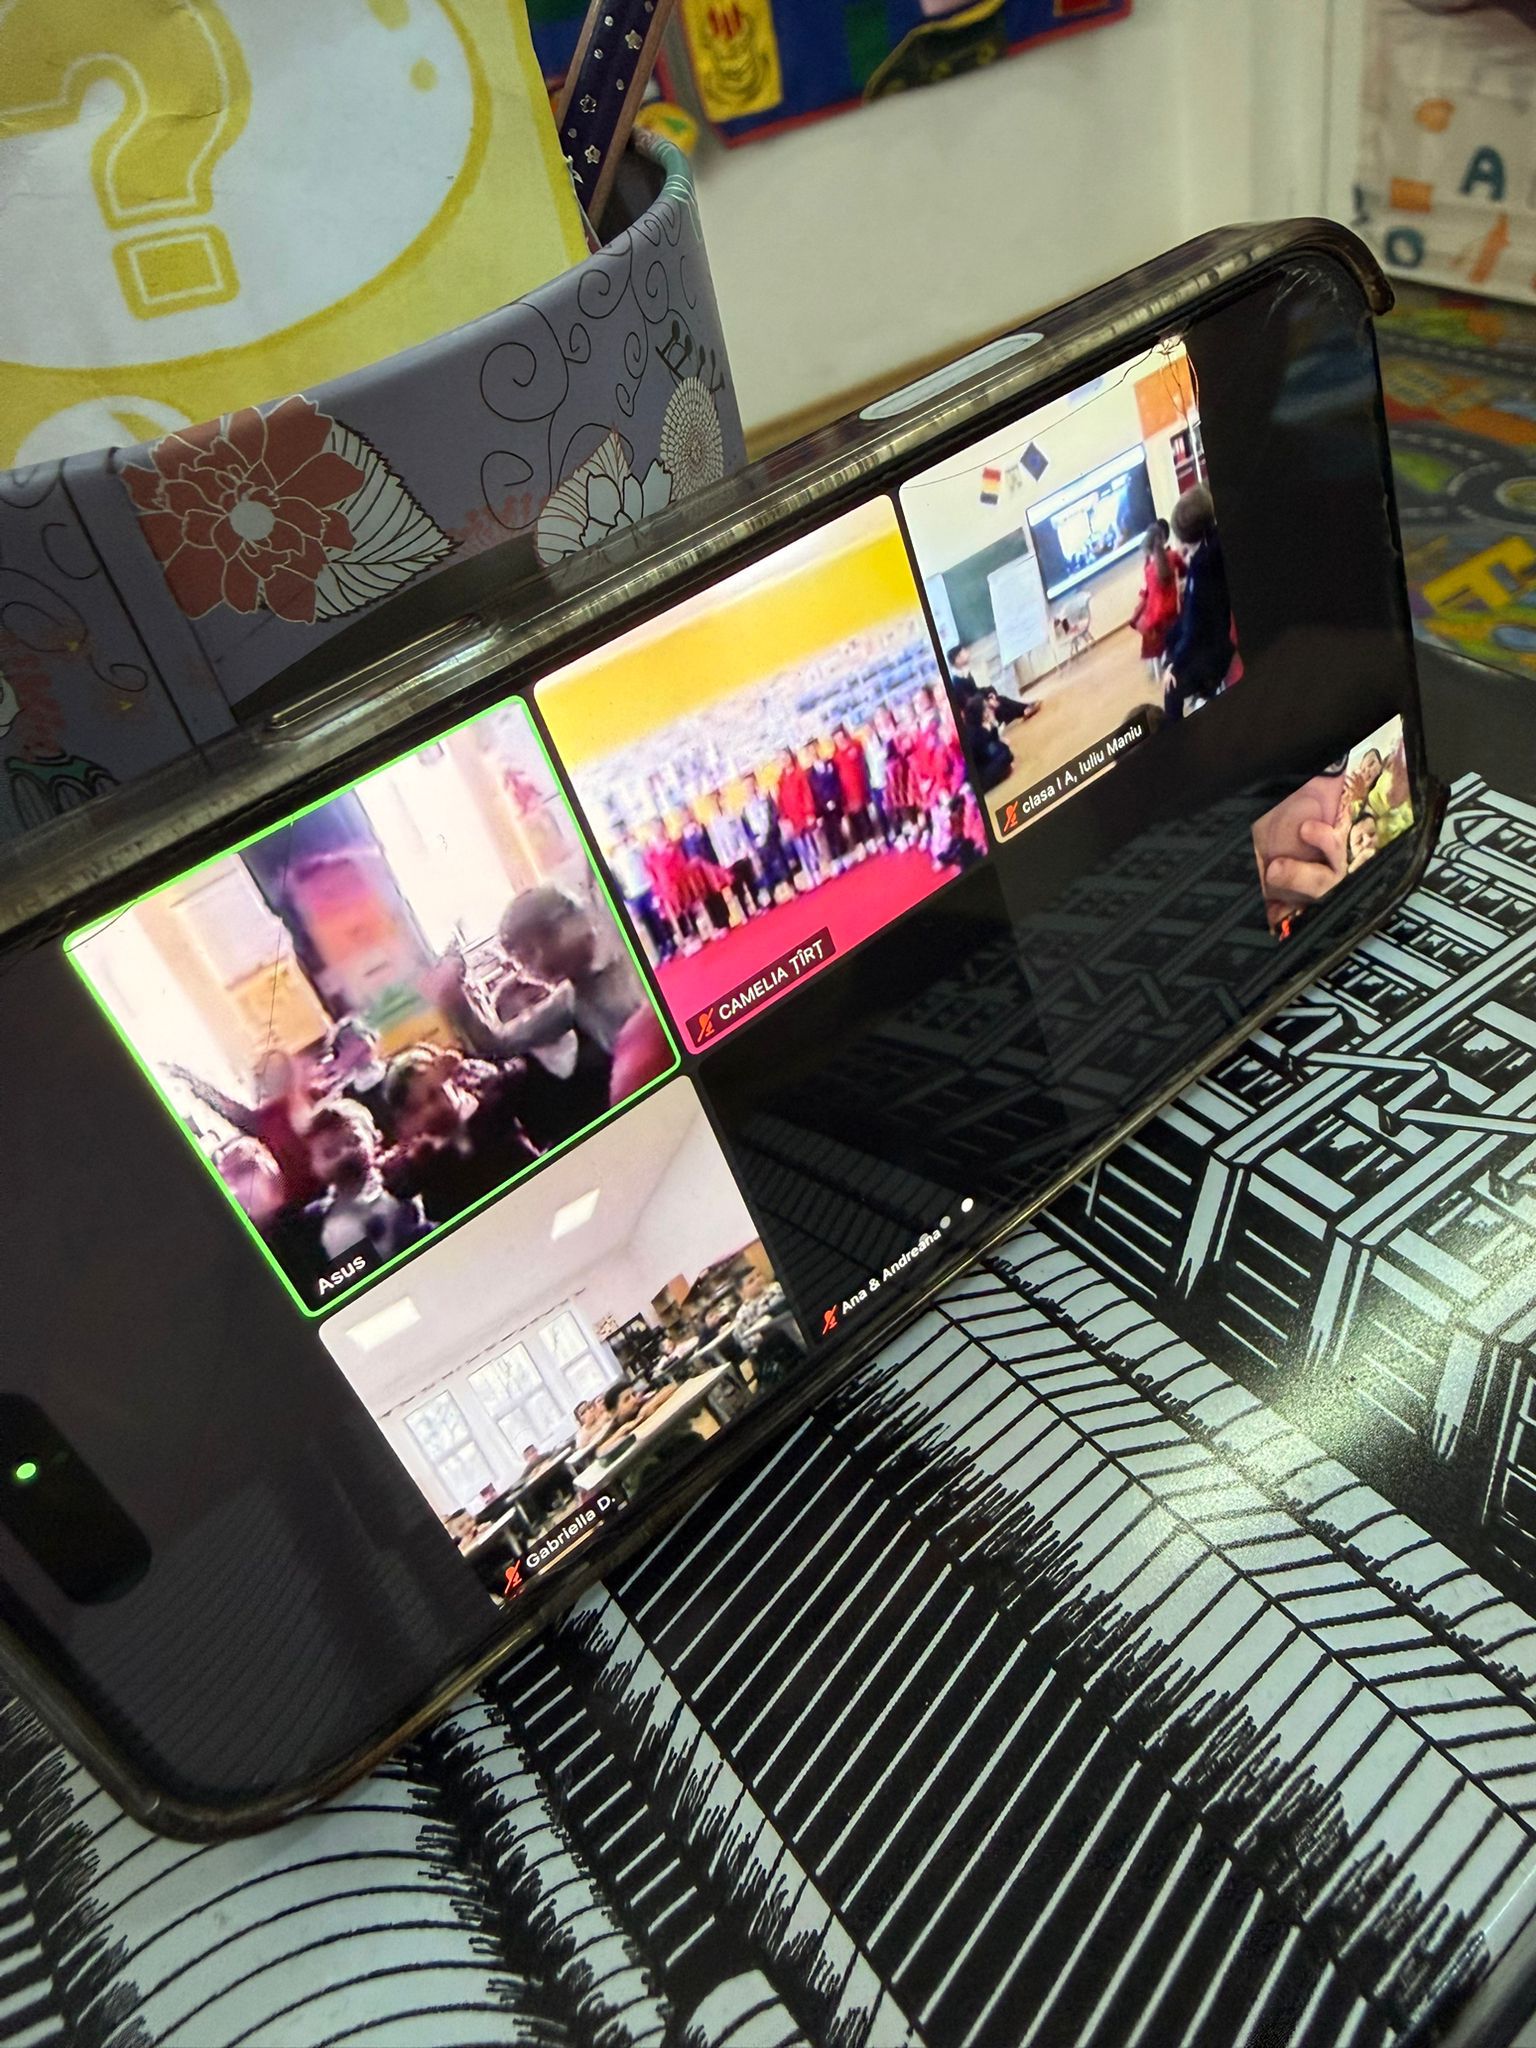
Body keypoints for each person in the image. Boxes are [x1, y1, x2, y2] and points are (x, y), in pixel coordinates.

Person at [381, 1045, 540, 1224]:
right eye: (417, 1108)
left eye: (435, 1093)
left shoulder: (489, 1102)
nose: (433, 1109)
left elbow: (521, 1072)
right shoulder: (424, 1159)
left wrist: (462, 1067)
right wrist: (420, 1153)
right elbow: (397, 1185)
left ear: (449, 1080)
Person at [168, 1048, 323, 1208]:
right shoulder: (279, 1116)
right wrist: (193, 1083)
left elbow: (233, 1111)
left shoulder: (288, 1122)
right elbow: (232, 1110)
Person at [304, 1099, 428, 1264]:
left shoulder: (407, 1182)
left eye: (353, 1141)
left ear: (375, 1138)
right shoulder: (315, 1223)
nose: (344, 1153)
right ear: (314, 1166)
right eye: (330, 1152)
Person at [1164, 486, 1234, 720]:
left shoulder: (1202, 567)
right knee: (1172, 639)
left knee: (1171, 691)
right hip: (1210, 637)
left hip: (1214, 648)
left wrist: (1175, 664)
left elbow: (1195, 627)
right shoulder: (1209, 550)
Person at [319, 1016, 395, 1142]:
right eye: (344, 1043)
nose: (363, 1041)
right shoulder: (345, 1098)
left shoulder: (394, 1070)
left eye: (362, 1034)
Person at [607, 830, 672, 962]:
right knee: (647, 923)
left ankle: (669, 943)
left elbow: (646, 857)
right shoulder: (617, 857)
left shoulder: (636, 847)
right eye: (617, 836)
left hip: (647, 887)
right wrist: (627, 898)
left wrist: (632, 841)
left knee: (656, 918)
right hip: (634, 894)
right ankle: (659, 948)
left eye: (621, 834)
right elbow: (619, 878)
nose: (620, 838)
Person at [1132, 521, 1179, 674]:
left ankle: (1158, 658)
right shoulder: (1171, 556)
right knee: (1143, 617)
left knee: (1144, 620)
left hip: (1158, 610)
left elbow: (1147, 589)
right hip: (1166, 606)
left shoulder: (1161, 560)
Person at [741, 771, 793, 900]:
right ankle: (772, 896)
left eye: (751, 784)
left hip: (771, 836)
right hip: (759, 842)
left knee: (781, 862)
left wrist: (770, 831)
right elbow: (747, 828)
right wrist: (754, 841)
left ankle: (791, 886)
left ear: (755, 783)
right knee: (766, 869)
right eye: (746, 786)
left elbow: (774, 814)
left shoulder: (765, 798)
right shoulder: (745, 808)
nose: (749, 788)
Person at [774, 746, 821, 886]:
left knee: (810, 843)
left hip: (803, 815)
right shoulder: (781, 781)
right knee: (800, 848)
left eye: (785, 757)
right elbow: (781, 802)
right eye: (781, 759)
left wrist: (810, 812)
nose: (784, 760)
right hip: (792, 820)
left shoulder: (799, 774)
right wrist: (784, 818)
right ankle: (809, 873)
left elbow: (807, 794)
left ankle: (816, 870)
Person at [832, 725, 873, 857]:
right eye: (836, 739)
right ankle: (860, 844)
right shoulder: (836, 757)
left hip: (860, 786)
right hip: (847, 792)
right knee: (854, 818)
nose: (840, 740)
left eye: (841, 736)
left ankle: (870, 839)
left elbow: (864, 764)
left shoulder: (855, 745)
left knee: (864, 814)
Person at [809, 744, 845, 869]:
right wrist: (820, 809)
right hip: (822, 808)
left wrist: (835, 798)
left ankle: (843, 854)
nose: (814, 754)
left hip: (835, 802)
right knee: (829, 833)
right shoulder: (810, 774)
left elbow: (836, 781)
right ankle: (835, 858)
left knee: (838, 829)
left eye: (814, 750)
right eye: (810, 752)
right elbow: (813, 794)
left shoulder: (829, 763)